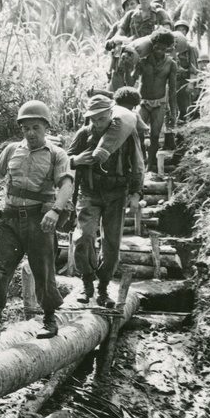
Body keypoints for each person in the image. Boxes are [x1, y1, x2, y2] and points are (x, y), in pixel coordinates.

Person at [0, 101, 73, 341]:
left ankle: (49, 319)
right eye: (26, 128)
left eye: (36, 127)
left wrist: (55, 211)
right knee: (0, 269)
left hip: (39, 221)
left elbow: (67, 184)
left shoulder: (57, 155)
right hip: (9, 220)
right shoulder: (11, 150)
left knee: (43, 269)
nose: (30, 133)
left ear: (46, 127)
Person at [67, 94, 145, 308]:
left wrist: (136, 193)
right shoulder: (83, 134)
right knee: (83, 238)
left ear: (112, 114)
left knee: (111, 244)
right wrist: (76, 160)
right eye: (94, 119)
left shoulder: (126, 135)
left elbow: (138, 164)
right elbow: (62, 162)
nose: (98, 123)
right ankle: (87, 283)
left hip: (116, 193)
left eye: (102, 118)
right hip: (89, 192)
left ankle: (102, 287)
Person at [133, 27, 178, 171]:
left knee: (155, 135)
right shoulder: (143, 61)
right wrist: (129, 66)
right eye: (156, 48)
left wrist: (173, 110)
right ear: (152, 46)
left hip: (159, 103)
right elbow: (132, 79)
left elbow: (172, 89)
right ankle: (142, 158)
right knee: (137, 131)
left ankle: (150, 165)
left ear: (167, 49)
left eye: (162, 49)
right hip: (143, 101)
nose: (159, 52)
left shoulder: (171, 64)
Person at [172, 19, 199, 121]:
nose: (181, 31)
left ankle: (183, 124)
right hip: (173, 79)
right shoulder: (171, 47)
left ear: (186, 31)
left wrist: (191, 83)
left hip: (184, 80)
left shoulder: (190, 47)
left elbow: (193, 67)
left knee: (184, 105)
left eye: (183, 30)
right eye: (179, 29)